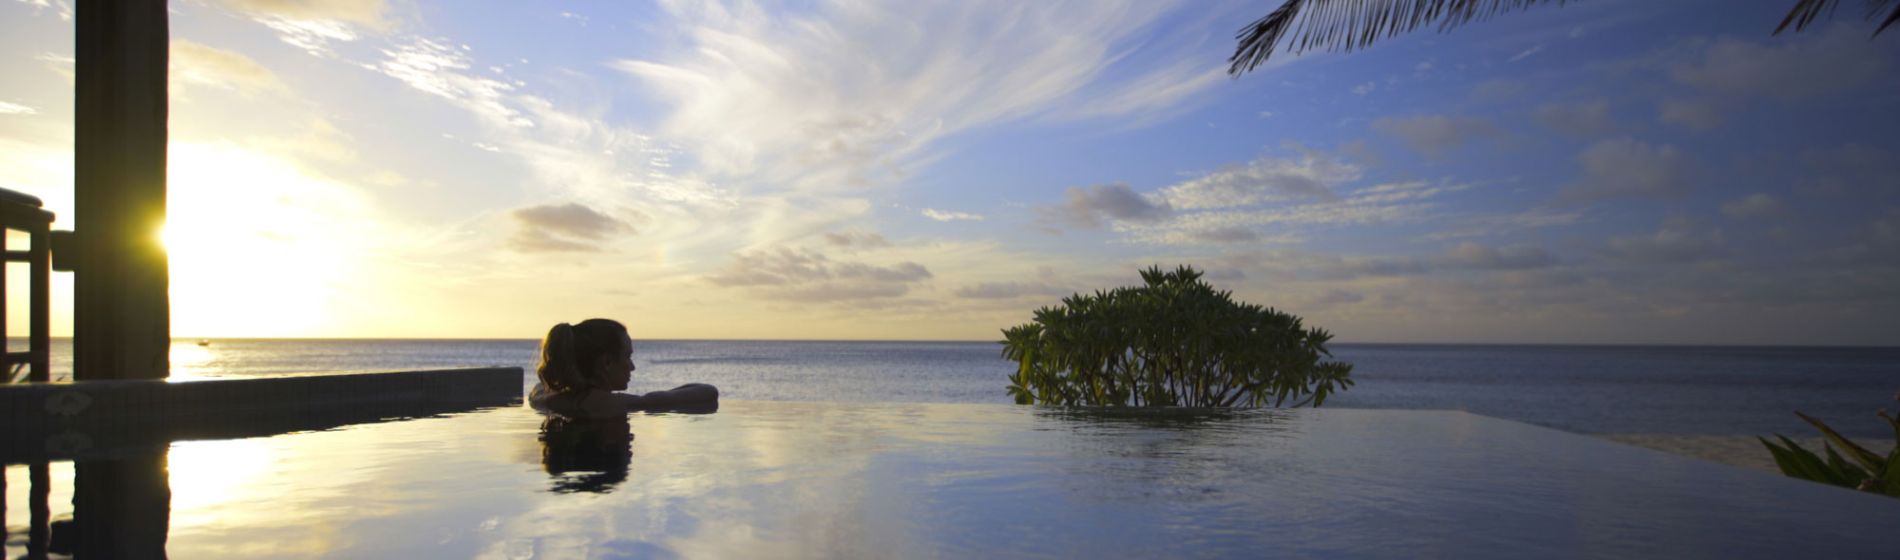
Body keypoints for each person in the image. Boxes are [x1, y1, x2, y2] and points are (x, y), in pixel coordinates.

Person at [528, 318, 719, 418]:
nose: (633, 367)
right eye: (628, 356)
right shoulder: (611, 404)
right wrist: (650, 400)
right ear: (607, 363)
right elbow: (708, 392)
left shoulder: (545, 399)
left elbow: (538, 388)